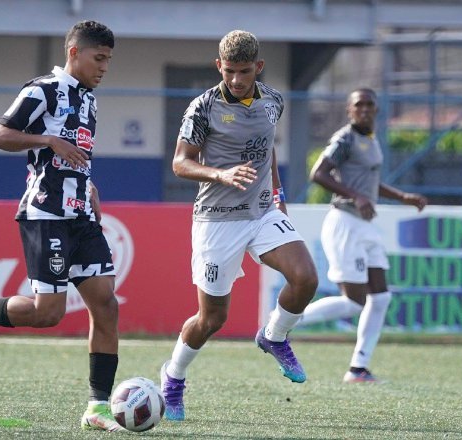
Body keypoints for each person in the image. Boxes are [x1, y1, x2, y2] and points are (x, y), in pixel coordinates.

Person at [0, 20, 124, 432]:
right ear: (74, 52)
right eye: (99, 58)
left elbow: (76, 153)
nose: (105, 66)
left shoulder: (89, 100)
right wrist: (47, 141)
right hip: (46, 213)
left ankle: (97, 407)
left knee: (106, 306)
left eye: (109, 59)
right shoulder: (42, 90)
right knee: (47, 314)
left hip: (81, 215)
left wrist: (89, 184)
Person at [159, 30, 318, 421]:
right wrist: (220, 174)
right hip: (217, 221)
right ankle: (173, 377)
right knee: (212, 319)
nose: (235, 79)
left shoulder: (273, 101)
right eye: (228, 71)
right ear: (219, 66)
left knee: (306, 278)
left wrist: (278, 196)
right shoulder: (203, 107)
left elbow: (268, 148)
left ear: (258, 67)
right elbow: (180, 163)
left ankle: (274, 335)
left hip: (262, 212)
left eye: (243, 71)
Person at [301, 88, 428, 383]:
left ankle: (358, 368)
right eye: (359, 105)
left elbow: (370, 182)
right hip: (345, 222)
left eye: (370, 105)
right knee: (354, 302)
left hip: (366, 224)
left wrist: (402, 196)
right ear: (349, 110)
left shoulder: (370, 139)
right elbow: (318, 174)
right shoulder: (345, 138)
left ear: (377, 110)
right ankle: (283, 321)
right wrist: (356, 197)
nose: (365, 110)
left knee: (381, 297)